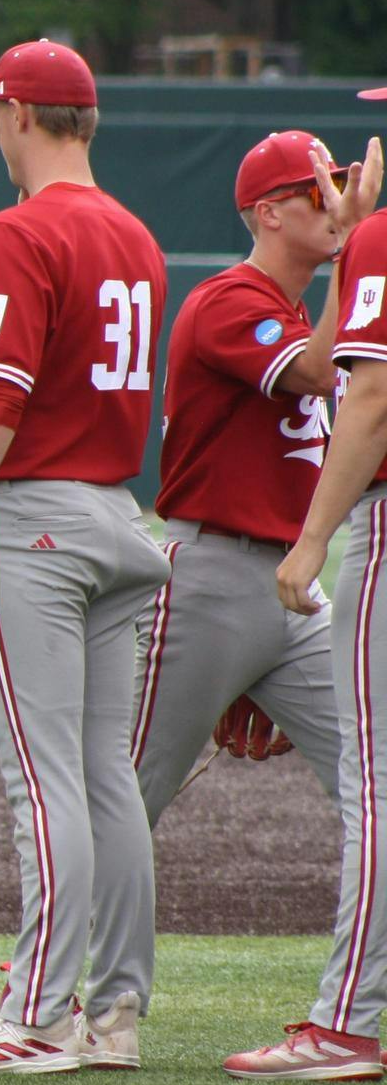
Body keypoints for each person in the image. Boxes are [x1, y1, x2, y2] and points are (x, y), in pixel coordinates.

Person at [0, 40, 171, 1074]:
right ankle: (113, 1017)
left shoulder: (19, 231)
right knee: (105, 776)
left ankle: (32, 1015)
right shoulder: (137, 235)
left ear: (19, 114)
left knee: (42, 778)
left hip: (36, 519)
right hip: (114, 510)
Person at [131, 132, 364, 831]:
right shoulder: (228, 301)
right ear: (269, 212)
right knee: (125, 794)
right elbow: (319, 371)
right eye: (318, 192)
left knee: (370, 778)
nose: (336, 205)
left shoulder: (294, 314)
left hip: (290, 591)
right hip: (212, 577)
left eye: (339, 187)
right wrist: (355, 252)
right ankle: (44, 943)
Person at [235, 125, 387, 1080]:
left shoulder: (376, 241)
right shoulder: (235, 297)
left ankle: (346, 1023)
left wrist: (314, 537)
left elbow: (365, 396)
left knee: (375, 785)